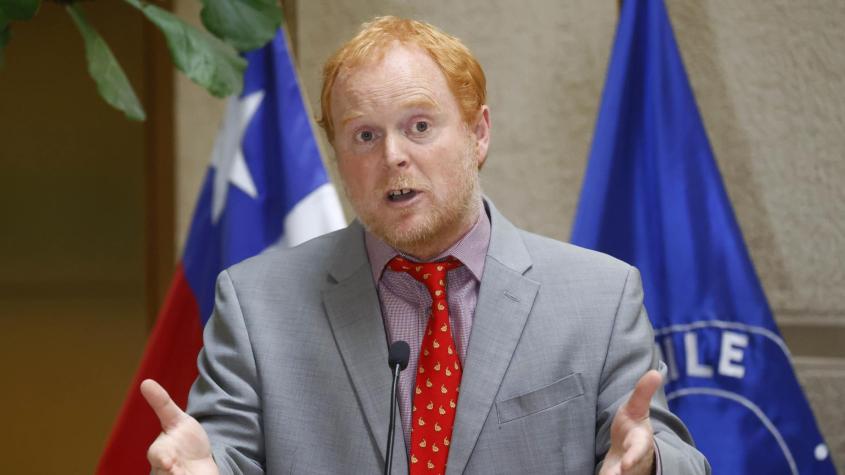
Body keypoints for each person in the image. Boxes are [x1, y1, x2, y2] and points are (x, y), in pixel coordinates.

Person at [141, 16, 710, 475]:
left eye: (419, 126)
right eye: (365, 135)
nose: (392, 156)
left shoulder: (599, 297)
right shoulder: (256, 304)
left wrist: (650, 465)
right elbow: (223, 454)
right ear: (338, 156)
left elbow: (671, 453)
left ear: (478, 134)